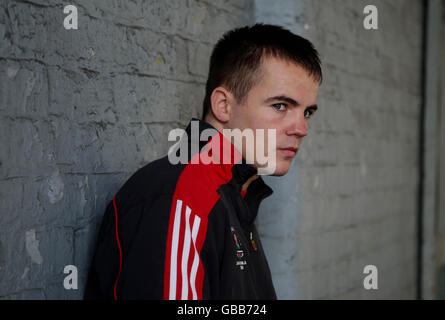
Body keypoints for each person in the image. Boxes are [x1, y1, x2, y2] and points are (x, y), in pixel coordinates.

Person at [84, 23, 322, 300]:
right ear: (223, 106)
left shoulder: (235, 190)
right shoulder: (184, 195)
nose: (301, 128)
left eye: (307, 113)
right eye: (280, 106)